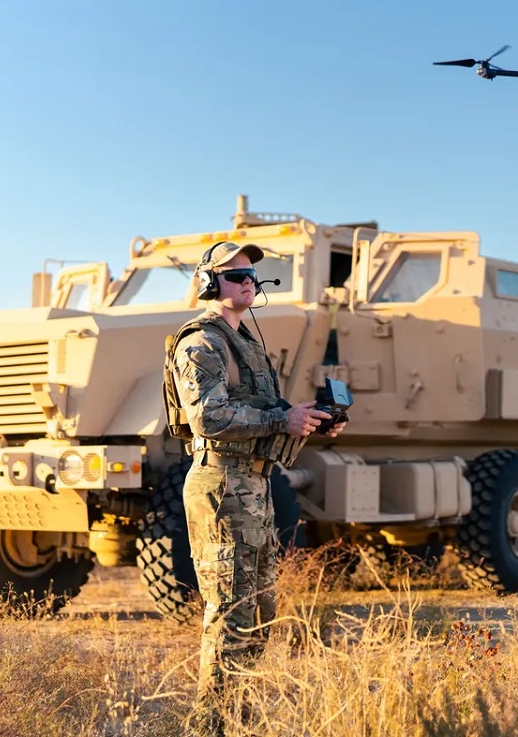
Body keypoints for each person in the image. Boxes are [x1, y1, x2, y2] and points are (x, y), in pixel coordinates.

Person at [171, 240, 345, 734]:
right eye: (235, 275)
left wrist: (306, 417)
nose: (248, 282)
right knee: (231, 608)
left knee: (260, 607)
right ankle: (212, 724)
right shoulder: (201, 343)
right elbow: (208, 418)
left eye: (251, 275)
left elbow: (263, 412)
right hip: (223, 484)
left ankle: (239, 715)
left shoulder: (245, 341)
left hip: (253, 484)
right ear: (210, 284)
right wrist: (280, 419)